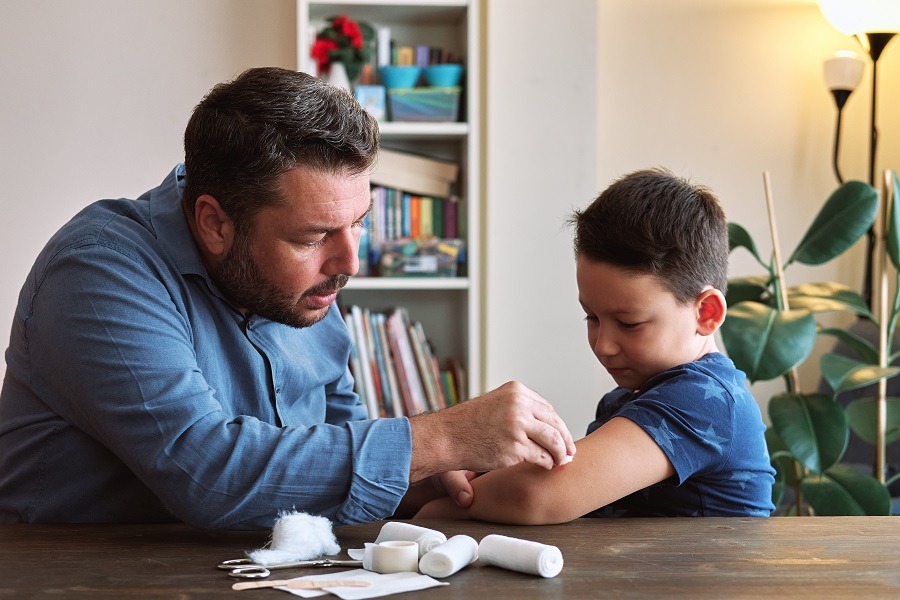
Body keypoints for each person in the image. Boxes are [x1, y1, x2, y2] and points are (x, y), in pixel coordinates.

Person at [0, 67, 575, 529]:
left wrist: (428, 475)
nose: (349, 264)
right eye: (313, 237)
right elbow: (207, 474)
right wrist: (444, 436)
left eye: (358, 225)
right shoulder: (98, 271)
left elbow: (334, 440)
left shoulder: (304, 284)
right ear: (214, 223)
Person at [416, 169, 776, 522]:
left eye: (629, 323)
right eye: (591, 317)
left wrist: (435, 513)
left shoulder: (704, 400)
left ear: (706, 313)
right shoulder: (632, 398)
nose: (603, 345)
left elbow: (538, 496)